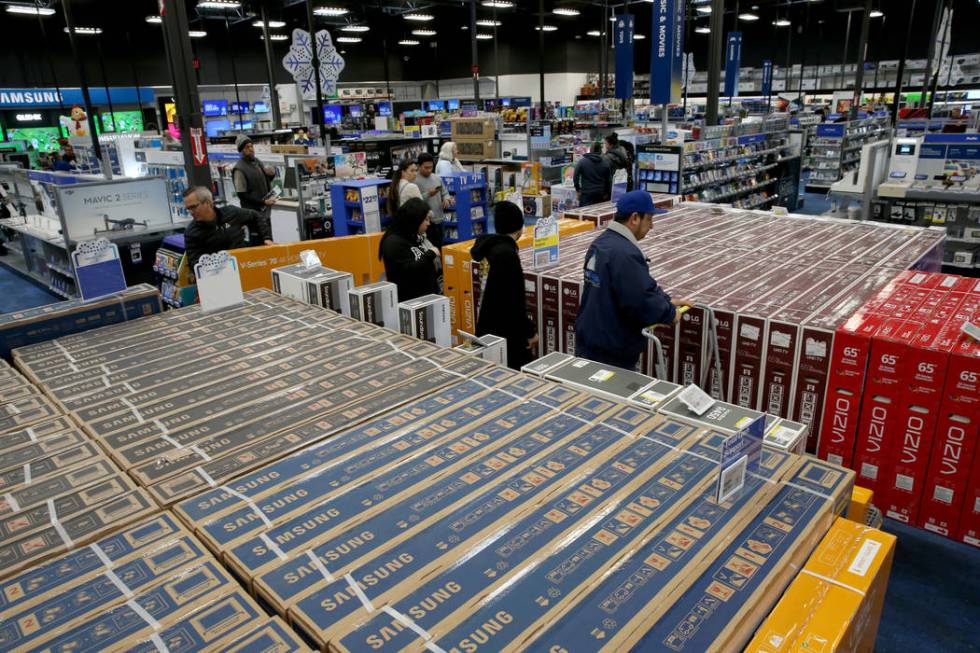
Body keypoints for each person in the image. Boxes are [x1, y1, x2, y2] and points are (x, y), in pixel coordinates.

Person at [575, 190, 693, 371]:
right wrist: (669, 313)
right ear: (635, 218)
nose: (652, 226)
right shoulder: (625, 253)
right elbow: (640, 300)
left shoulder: (602, 243)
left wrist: (666, 300)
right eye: (650, 219)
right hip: (611, 351)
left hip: (591, 341)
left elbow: (633, 286)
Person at [471, 201, 537, 370]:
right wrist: (529, 332)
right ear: (520, 227)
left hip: (487, 326)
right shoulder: (507, 255)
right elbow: (514, 300)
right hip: (505, 335)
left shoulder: (491, 249)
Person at [182, 186, 274, 269]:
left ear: (208, 203)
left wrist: (266, 238)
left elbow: (256, 216)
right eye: (188, 208)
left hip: (245, 265)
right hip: (219, 275)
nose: (191, 212)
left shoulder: (231, 213)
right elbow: (195, 264)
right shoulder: (191, 233)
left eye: (193, 207)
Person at [379, 197, 440, 302]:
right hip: (411, 305)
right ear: (414, 219)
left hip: (426, 300)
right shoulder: (393, 243)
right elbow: (408, 272)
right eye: (425, 219)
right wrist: (430, 255)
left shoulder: (413, 236)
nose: (428, 223)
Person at [232, 135, 277, 228]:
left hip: (265, 212)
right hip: (252, 214)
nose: (251, 149)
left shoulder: (257, 162)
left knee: (268, 238)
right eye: (247, 147)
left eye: (251, 146)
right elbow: (243, 195)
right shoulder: (239, 169)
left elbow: (264, 181)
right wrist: (263, 202)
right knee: (258, 240)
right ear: (241, 151)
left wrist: (272, 175)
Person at [414, 152, 450, 248]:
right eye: (426, 167)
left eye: (431, 167)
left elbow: (445, 192)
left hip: (440, 219)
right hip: (425, 223)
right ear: (419, 166)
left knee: (440, 247)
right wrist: (428, 194)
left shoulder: (437, 178)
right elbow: (414, 202)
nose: (429, 170)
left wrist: (446, 199)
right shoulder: (414, 181)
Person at [573, 142, 612, 207]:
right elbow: (608, 180)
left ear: (590, 150)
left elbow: (575, 177)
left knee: (584, 213)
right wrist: (607, 192)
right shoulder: (605, 163)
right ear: (600, 151)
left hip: (586, 193)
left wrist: (578, 189)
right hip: (600, 193)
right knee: (597, 213)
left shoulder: (582, 162)